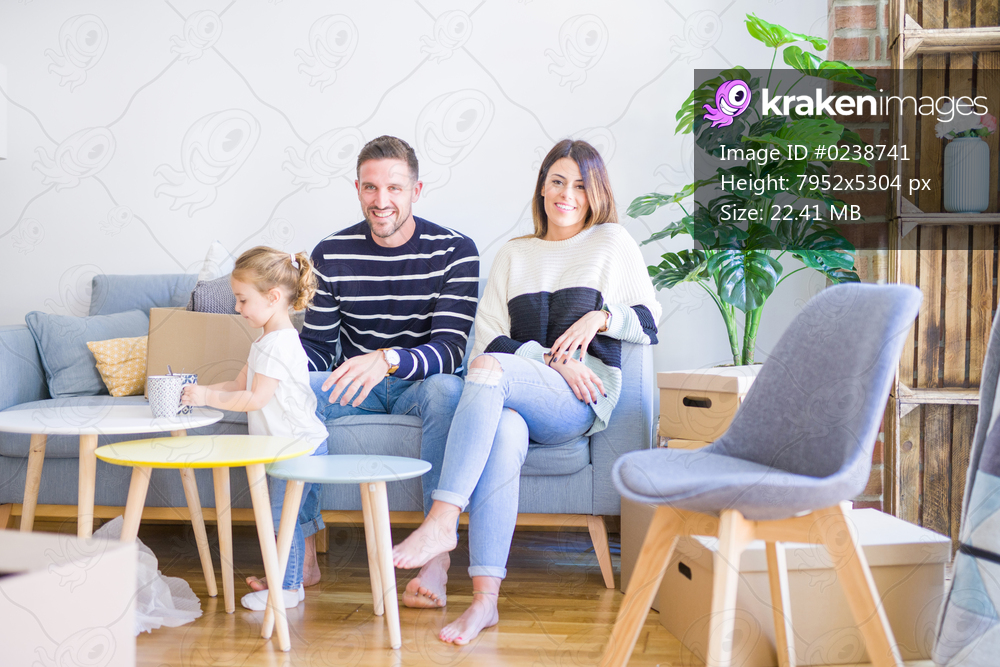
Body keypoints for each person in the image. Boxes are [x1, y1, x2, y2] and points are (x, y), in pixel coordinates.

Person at [391, 139, 661, 644]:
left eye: (580, 185)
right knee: (504, 431)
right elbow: (488, 338)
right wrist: (554, 360)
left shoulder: (611, 243)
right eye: (557, 181)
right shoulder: (515, 254)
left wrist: (600, 316)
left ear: (595, 193)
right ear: (542, 187)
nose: (567, 194)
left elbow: (648, 321)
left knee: (491, 369)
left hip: (580, 398)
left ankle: (442, 519)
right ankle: (484, 602)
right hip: (527, 393)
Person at [245, 135, 480, 609]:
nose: (382, 200)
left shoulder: (456, 250)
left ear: (417, 189)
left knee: (448, 392)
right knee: (289, 393)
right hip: (354, 384)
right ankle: (300, 560)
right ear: (357, 188)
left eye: (394, 188)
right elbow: (315, 348)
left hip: (421, 382)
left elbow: (452, 349)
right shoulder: (332, 253)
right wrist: (274, 362)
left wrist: (389, 358)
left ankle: (436, 557)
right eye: (371, 188)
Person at [181, 246, 330, 611]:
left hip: (296, 449)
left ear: (273, 297)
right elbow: (237, 385)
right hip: (297, 445)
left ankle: (288, 587)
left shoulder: (279, 344)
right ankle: (290, 576)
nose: (237, 308)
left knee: (282, 518)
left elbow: (255, 398)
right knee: (292, 515)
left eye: (242, 300)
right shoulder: (267, 339)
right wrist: (196, 391)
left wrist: (206, 398)